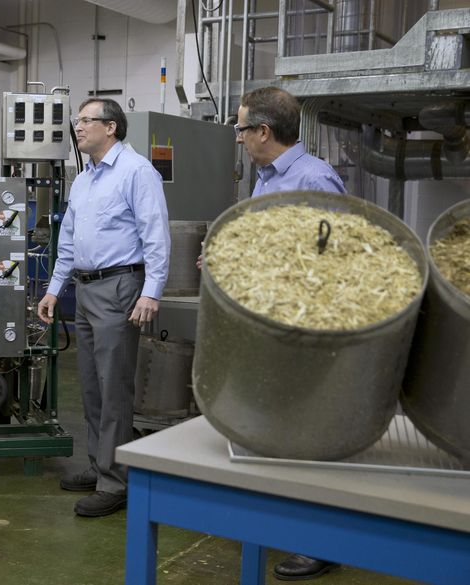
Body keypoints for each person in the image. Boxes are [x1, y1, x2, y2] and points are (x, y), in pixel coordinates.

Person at [37, 98, 170, 517]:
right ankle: (99, 466)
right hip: (85, 287)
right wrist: (54, 289)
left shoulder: (137, 172)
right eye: (77, 121)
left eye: (85, 121)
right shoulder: (84, 179)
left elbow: (156, 236)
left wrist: (151, 292)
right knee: (92, 386)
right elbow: (69, 241)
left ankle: (116, 483)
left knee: (114, 389)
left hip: (120, 287)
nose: (78, 127)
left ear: (110, 127)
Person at [237, 86, 346, 581]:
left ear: (263, 131)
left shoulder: (314, 178)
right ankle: (282, 521)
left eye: (241, 128)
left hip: (305, 327)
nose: (237, 138)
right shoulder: (265, 179)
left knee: (309, 434)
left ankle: (319, 541)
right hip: (267, 323)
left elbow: (334, 258)